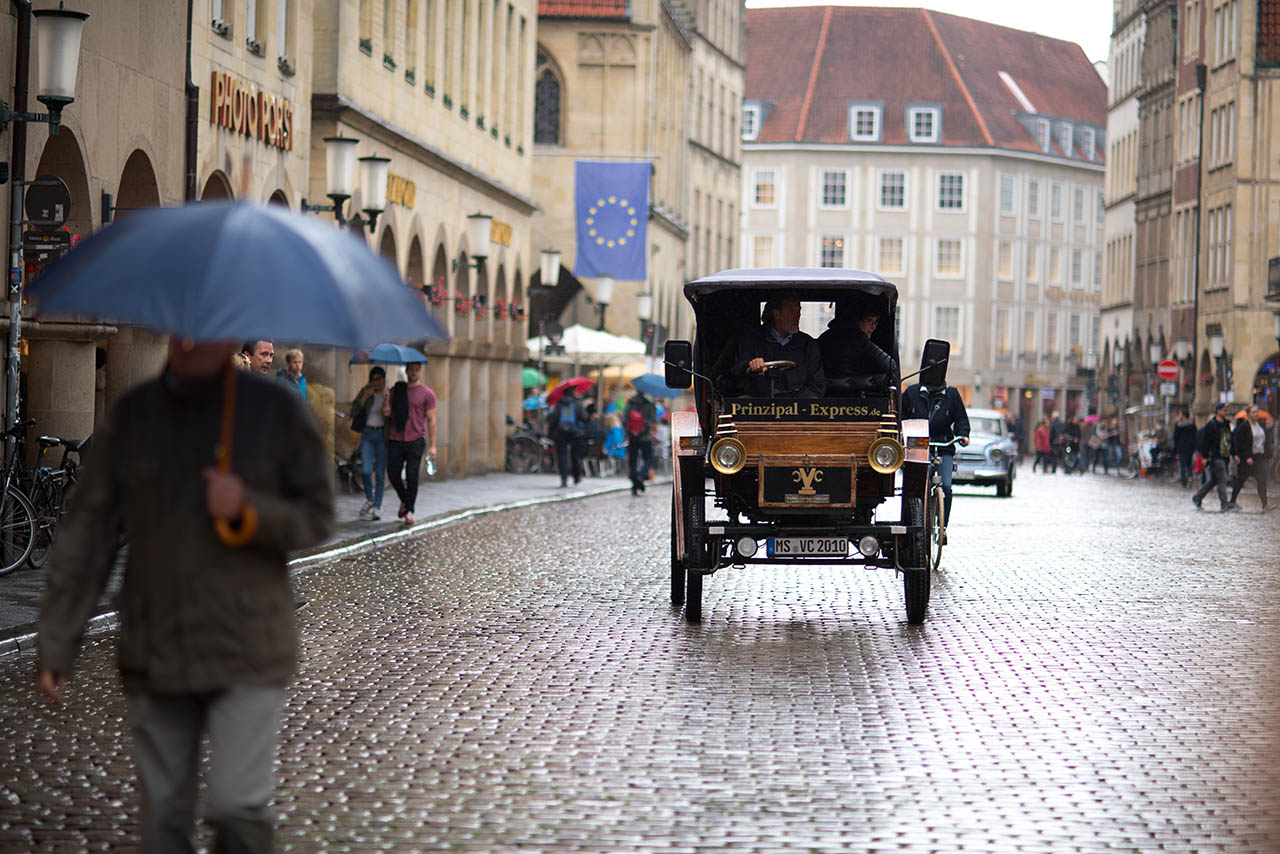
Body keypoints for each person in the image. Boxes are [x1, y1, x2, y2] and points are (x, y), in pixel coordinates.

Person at [36, 339, 333, 852]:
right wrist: (59, 638)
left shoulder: (274, 410)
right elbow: (89, 533)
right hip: (158, 646)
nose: (193, 339)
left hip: (250, 646)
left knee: (239, 809)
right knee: (166, 820)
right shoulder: (135, 416)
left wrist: (249, 511)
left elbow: (317, 514)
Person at [901, 358, 970, 540]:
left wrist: (963, 435)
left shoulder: (952, 395)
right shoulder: (912, 393)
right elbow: (902, 416)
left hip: (944, 445)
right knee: (920, 480)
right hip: (919, 445)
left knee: (946, 486)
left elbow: (961, 419)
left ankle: (943, 526)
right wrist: (902, 433)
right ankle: (919, 517)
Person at [730, 295, 827, 398]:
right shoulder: (752, 340)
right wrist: (751, 367)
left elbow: (817, 385)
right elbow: (737, 374)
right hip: (759, 407)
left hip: (798, 408)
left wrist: (795, 407)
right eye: (791, 311)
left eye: (799, 311)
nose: (797, 316)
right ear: (776, 314)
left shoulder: (808, 344)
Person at [382, 361, 437, 525]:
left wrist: (433, 446)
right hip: (396, 438)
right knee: (392, 473)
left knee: (412, 475)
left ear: (420, 372)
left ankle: (410, 510)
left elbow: (432, 420)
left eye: (416, 370)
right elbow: (386, 413)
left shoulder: (427, 394)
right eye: (411, 370)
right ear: (406, 371)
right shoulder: (396, 391)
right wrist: (385, 399)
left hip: (416, 439)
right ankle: (405, 500)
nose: (413, 372)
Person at [817, 303, 898, 392]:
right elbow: (890, 365)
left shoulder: (824, 337)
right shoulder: (858, 339)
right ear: (856, 321)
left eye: (875, 322)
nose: (873, 327)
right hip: (851, 398)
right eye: (869, 321)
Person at [351, 366, 388, 520]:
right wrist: (365, 396)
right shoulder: (366, 392)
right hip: (367, 434)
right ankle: (370, 499)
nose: (376, 382)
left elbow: (389, 414)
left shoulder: (388, 394)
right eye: (374, 379)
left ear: (384, 380)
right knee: (365, 470)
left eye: (379, 379)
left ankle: (377, 506)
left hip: (382, 435)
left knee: (379, 472)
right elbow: (353, 411)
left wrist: (387, 401)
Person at [1228, 404, 1271, 511]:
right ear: (1248, 414)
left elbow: (1265, 442)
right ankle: (1232, 501)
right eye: (1254, 412)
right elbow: (1241, 443)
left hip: (1259, 457)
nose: (1256, 414)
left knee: (1262, 480)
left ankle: (1265, 504)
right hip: (1248, 458)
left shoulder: (1260, 426)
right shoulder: (1244, 427)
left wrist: (1268, 455)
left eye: (1257, 412)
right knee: (1241, 480)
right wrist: (1246, 456)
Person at [1193, 403, 1234, 511]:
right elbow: (1205, 442)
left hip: (1224, 456)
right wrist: (1205, 456)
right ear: (1218, 411)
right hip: (1215, 457)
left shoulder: (1226, 424)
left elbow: (1229, 440)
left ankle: (1197, 497)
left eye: (1227, 410)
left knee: (1214, 481)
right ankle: (1224, 504)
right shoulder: (1211, 425)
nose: (1227, 412)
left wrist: (1233, 453)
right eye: (1224, 410)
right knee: (1222, 480)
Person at [547, 387, 586, 488]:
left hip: (560, 433)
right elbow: (584, 417)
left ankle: (564, 478)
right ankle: (576, 476)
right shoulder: (578, 403)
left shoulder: (559, 404)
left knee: (562, 455)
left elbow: (554, 419)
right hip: (575, 432)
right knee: (575, 454)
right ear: (573, 392)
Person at [623, 389, 658, 495]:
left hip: (633, 436)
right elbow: (653, 419)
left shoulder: (630, 402)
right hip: (645, 436)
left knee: (632, 460)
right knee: (648, 458)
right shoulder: (649, 403)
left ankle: (635, 482)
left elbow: (625, 419)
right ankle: (642, 476)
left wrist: (629, 432)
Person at [1171, 408, 1197, 488]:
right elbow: (1195, 436)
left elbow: (1175, 437)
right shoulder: (1192, 426)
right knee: (1189, 464)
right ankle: (1190, 477)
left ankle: (1184, 482)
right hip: (1190, 448)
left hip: (1181, 447)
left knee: (1182, 465)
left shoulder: (1179, 425)